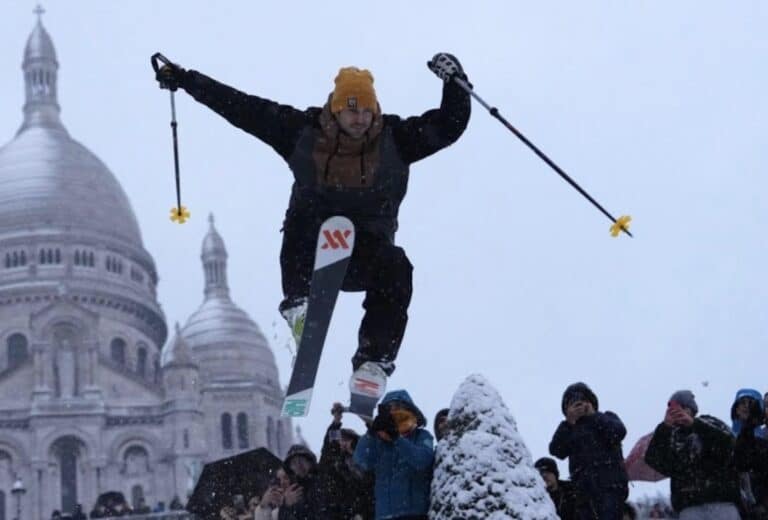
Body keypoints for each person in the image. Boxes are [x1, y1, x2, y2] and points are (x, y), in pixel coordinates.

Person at [154, 53, 471, 376]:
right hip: (312, 251)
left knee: (397, 266)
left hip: (364, 256)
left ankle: (373, 360)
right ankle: (299, 306)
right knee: (305, 210)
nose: (360, 119)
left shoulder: (396, 139)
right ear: (336, 109)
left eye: (367, 111)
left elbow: (448, 126)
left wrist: (455, 82)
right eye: (352, 110)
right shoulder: (303, 132)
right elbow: (243, 108)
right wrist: (187, 80)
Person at [645, 389, 741, 519]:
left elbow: (728, 443)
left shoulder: (709, 422)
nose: (679, 413)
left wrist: (694, 424)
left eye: (683, 408)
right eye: (672, 409)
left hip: (721, 500)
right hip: (689, 504)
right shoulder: (669, 435)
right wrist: (665, 427)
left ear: (692, 409)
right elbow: (654, 459)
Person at [549, 382, 628, 519]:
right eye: (573, 403)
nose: (579, 406)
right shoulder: (569, 429)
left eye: (583, 400)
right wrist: (569, 423)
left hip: (611, 488)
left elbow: (619, 432)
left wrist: (594, 416)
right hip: (583, 494)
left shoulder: (606, 417)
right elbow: (556, 450)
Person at [354, 389, 434, 519]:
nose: (393, 411)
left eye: (398, 407)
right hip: (383, 515)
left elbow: (422, 461)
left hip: (414, 514)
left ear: (409, 410)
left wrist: (397, 439)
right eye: (388, 408)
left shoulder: (421, 435)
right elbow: (362, 461)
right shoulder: (378, 441)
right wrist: (371, 433)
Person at [731, 388, 768, 518]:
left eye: (751, 403)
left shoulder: (763, 440)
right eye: (743, 402)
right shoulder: (724, 436)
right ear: (736, 409)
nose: (746, 406)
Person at [280, 444, 325, 519]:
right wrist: (287, 505)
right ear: (291, 468)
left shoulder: (324, 481)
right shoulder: (293, 491)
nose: (298, 465)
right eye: (294, 462)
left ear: (310, 462)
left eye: (301, 460)